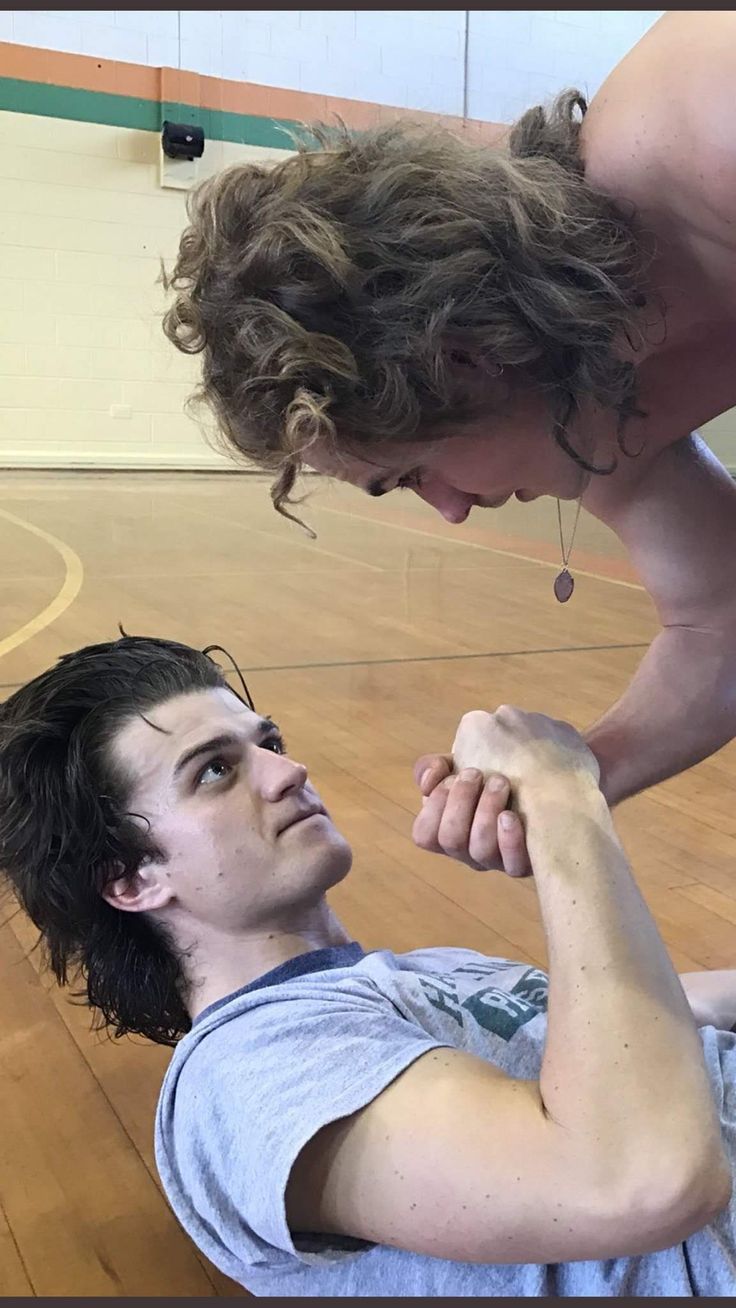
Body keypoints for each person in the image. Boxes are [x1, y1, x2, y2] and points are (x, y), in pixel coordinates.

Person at [161, 11, 736, 877]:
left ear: (465, 360)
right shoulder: (585, 409)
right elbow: (718, 622)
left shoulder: (699, 118)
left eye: (414, 476)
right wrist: (574, 775)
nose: (454, 509)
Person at [1, 633, 735, 1297]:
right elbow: (638, 1179)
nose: (289, 770)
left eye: (270, 741)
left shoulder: (415, 974)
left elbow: (663, 1020)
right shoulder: (248, 1073)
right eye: (217, 770)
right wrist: (561, 799)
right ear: (131, 880)